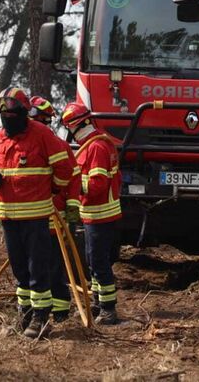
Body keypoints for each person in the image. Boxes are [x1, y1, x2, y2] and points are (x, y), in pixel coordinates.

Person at [0, 88, 78, 338]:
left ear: (24, 113)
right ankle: (24, 312)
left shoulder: (41, 134)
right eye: (3, 113)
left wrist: (53, 189)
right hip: (7, 215)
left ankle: (41, 317)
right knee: (19, 268)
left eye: (12, 112)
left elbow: (65, 168)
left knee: (38, 268)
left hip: (35, 215)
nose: (7, 118)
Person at [61, 102, 122, 325]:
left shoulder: (96, 147)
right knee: (92, 261)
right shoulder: (93, 144)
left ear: (78, 126)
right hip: (93, 215)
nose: (71, 135)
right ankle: (97, 303)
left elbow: (97, 185)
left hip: (100, 215)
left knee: (98, 262)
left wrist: (73, 185)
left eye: (70, 129)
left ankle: (108, 310)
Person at [29, 95, 81, 323]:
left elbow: (74, 175)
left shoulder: (56, 144)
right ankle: (37, 308)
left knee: (53, 266)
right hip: (28, 219)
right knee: (33, 266)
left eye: (36, 117)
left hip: (52, 219)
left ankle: (59, 310)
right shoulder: (23, 143)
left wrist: (72, 208)